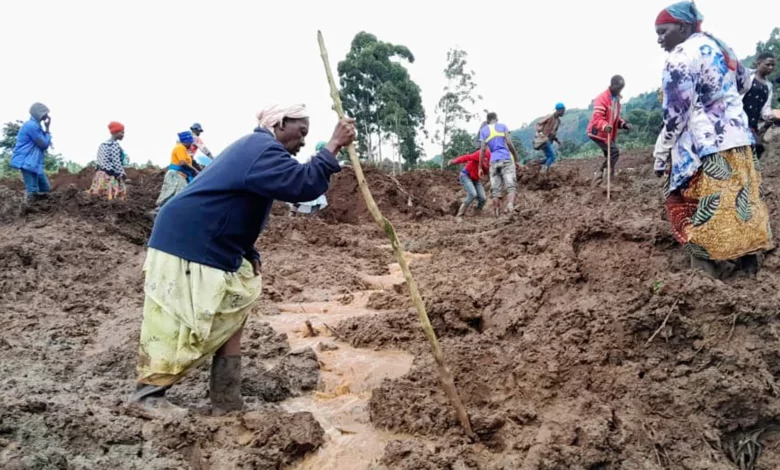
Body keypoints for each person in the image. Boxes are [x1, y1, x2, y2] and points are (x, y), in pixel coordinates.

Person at [129, 104, 355, 417]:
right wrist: (333, 145)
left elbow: (235, 204)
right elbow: (304, 186)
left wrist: (248, 250)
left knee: (235, 306)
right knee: (179, 320)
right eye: (301, 132)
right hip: (188, 242)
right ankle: (148, 397)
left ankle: (226, 400)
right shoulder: (261, 149)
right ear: (279, 124)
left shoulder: (260, 151)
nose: (304, 141)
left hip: (209, 241)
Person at [653, 1, 773, 278]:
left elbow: (676, 115)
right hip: (738, 140)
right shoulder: (720, 46)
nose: (660, 39)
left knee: (691, 207)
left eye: (663, 31)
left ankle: (704, 279)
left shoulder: (680, 57)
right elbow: (745, 82)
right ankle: (749, 270)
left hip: (704, 147)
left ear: (682, 27)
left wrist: (662, 150)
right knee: (740, 204)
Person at [587, 76, 633, 183]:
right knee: (614, 152)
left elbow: (614, 118)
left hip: (607, 132)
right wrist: (605, 126)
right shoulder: (602, 98)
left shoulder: (616, 99)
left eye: (621, 88)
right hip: (597, 132)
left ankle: (605, 178)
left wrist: (623, 124)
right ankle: (601, 175)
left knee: (609, 155)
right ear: (612, 85)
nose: (620, 90)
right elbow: (597, 118)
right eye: (618, 88)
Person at [478, 112, 520, 217]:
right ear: (496, 119)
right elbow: (509, 143)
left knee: (495, 190)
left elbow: (482, 150)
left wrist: (480, 167)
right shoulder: (502, 127)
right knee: (511, 186)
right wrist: (516, 158)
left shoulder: (483, 131)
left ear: (487, 121)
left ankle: (497, 213)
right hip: (506, 159)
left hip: (493, 162)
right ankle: (510, 206)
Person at [10, 103, 53, 201]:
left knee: (45, 188)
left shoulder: (36, 126)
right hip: (27, 162)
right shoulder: (31, 126)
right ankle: (28, 213)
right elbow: (44, 144)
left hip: (34, 163)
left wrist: (45, 129)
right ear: (39, 114)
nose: (47, 116)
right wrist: (47, 129)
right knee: (32, 191)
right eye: (45, 113)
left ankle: (42, 212)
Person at [743, 52, 776, 159]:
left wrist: (770, 115)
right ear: (758, 63)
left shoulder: (769, 86)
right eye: (767, 64)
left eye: (772, 65)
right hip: (738, 122)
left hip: (752, 125)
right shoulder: (746, 76)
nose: (770, 67)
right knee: (755, 147)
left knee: (755, 151)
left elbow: (765, 109)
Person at [155, 131, 200, 209]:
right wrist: (195, 171)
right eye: (191, 142)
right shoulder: (180, 147)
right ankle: (158, 212)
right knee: (172, 195)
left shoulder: (184, 150)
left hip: (181, 176)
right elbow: (183, 162)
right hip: (175, 175)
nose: (191, 144)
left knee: (179, 197)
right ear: (187, 141)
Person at [287, 141, 330, 217]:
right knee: (316, 200)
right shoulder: (319, 156)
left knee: (302, 197)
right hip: (314, 181)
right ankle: (311, 216)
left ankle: (293, 213)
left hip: (309, 180)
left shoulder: (313, 156)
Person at [88, 121, 127, 201]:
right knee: (113, 196)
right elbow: (116, 161)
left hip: (101, 174)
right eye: (122, 132)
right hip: (110, 176)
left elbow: (98, 159)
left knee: (99, 195)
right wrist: (122, 173)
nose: (123, 135)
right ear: (115, 132)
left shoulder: (103, 144)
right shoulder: (114, 145)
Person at [448, 148, 490, 221]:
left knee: (483, 198)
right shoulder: (482, 153)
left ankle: (477, 214)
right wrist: (454, 161)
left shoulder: (496, 159)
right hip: (465, 175)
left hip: (475, 179)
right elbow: (467, 157)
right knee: (473, 194)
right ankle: (459, 215)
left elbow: (487, 171)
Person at [534, 103, 566, 172]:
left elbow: (553, 133)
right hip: (544, 140)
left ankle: (534, 163)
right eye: (563, 110)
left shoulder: (558, 121)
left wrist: (557, 140)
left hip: (549, 141)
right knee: (552, 156)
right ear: (559, 110)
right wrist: (539, 133)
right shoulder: (549, 116)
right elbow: (538, 123)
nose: (564, 112)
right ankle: (543, 171)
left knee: (549, 157)